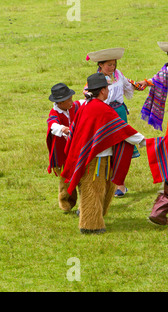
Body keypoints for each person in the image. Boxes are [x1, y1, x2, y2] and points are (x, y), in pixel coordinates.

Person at [61, 73, 146, 234]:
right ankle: (90, 225)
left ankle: (94, 215)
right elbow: (122, 129)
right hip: (96, 158)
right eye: (107, 88)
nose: (108, 91)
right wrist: (144, 141)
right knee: (94, 190)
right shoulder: (100, 108)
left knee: (104, 187)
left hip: (93, 155)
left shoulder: (87, 105)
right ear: (102, 91)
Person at [86, 47, 145, 197]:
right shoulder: (95, 79)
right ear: (100, 65)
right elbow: (88, 93)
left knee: (121, 148)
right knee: (106, 148)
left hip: (119, 113)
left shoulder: (118, 75)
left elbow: (128, 85)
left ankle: (120, 185)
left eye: (114, 64)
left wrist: (144, 84)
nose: (112, 68)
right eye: (109, 65)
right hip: (104, 114)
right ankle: (105, 184)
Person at [46, 83, 84, 213]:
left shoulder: (75, 106)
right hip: (65, 152)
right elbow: (52, 124)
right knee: (67, 177)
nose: (71, 102)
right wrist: (62, 128)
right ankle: (66, 200)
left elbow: (85, 103)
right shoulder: (54, 113)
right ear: (60, 103)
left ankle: (84, 204)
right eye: (68, 100)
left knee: (82, 176)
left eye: (71, 99)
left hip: (78, 148)